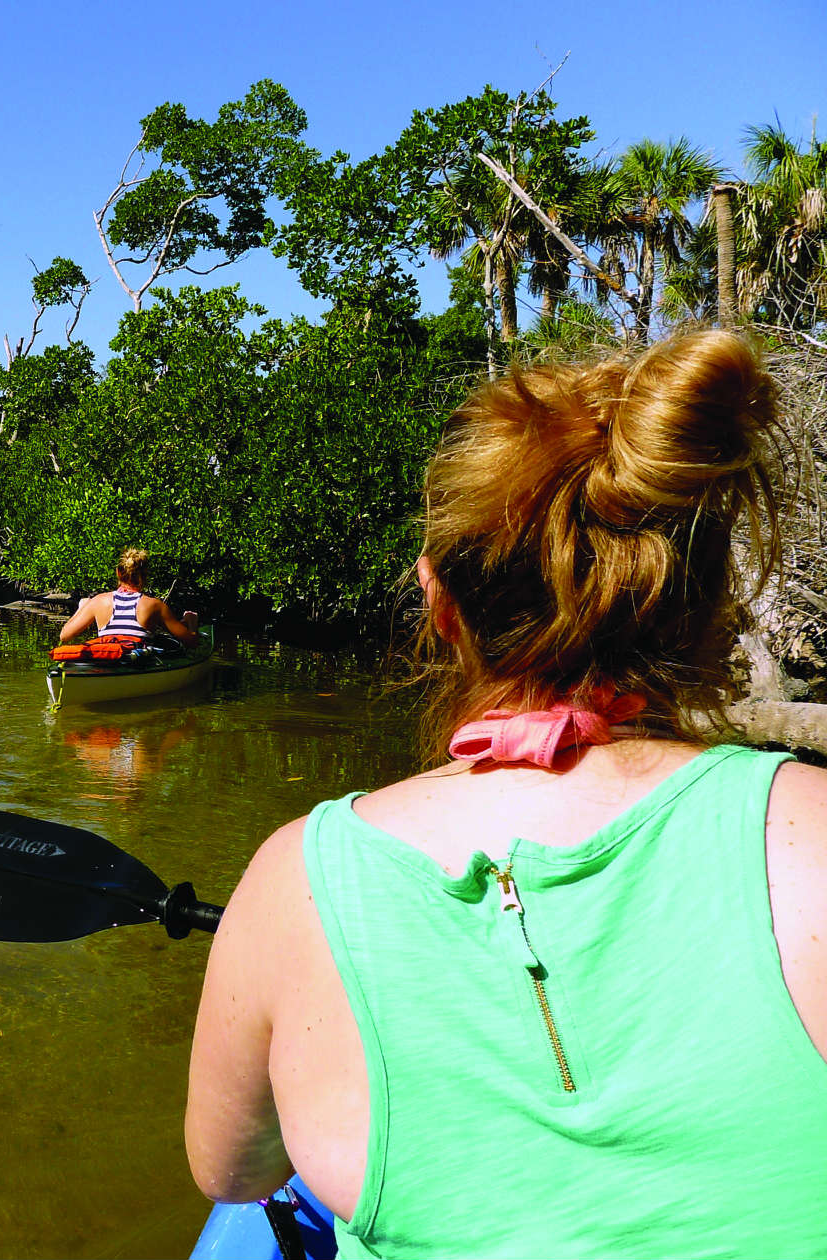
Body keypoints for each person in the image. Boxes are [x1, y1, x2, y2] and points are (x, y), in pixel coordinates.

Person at [186, 330, 827, 1257]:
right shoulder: (813, 829)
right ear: (704, 597)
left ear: (439, 602)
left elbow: (232, 1173)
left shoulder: (296, 878)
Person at [58, 547, 205, 647]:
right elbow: (192, 642)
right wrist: (192, 622)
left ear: (118, 572)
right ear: (145, 574)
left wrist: (82, 607)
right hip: (136, 667)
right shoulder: (154, 605)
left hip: (105, 665)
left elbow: (64, 636)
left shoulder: (98, 601)